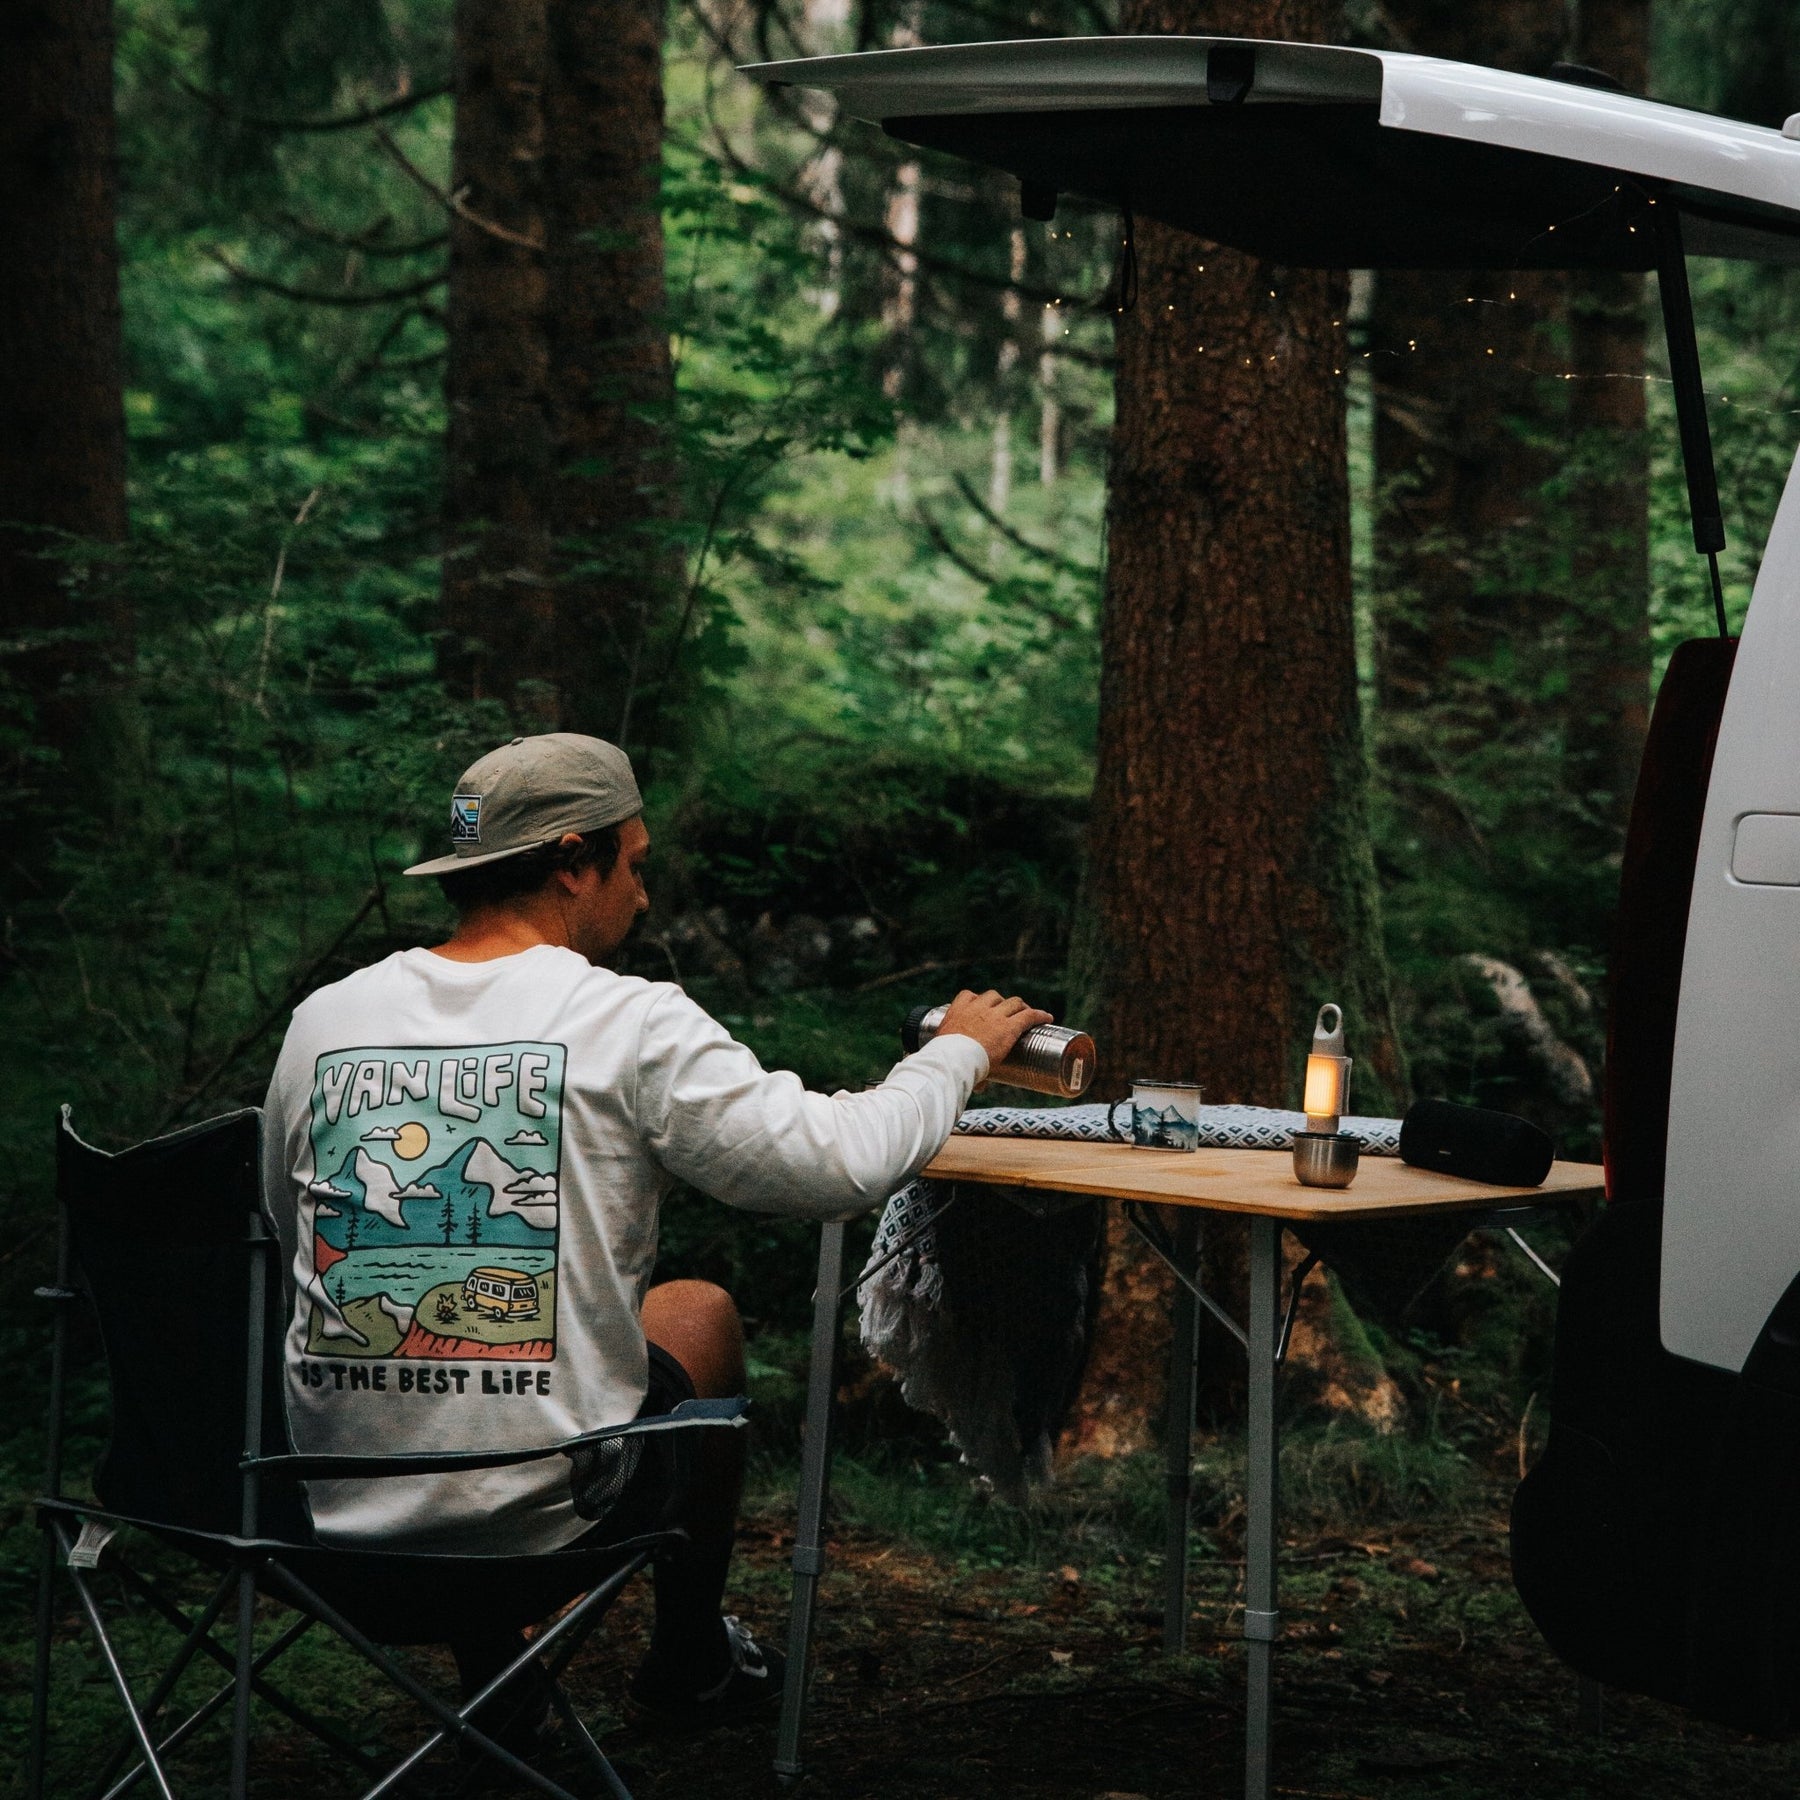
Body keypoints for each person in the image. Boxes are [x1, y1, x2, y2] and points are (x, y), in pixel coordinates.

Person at [261, 731, 1050, 1744]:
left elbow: (297, 1239)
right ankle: (686, 1660)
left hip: (324, 1521)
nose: (643, 897)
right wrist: (955, 1056)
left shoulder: (323, 1021)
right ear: (571, 859)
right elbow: (839, 1165)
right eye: (634, 866)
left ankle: (504, 1690)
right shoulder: (626, 1021)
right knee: (700, 1313)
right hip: (545, 1528)